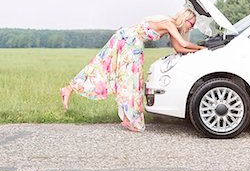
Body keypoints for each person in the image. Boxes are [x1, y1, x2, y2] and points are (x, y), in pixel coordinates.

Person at [59, 8, 204, 132]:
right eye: (191, 24)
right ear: (185, 18)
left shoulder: (171, 27)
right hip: (129, 41)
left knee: (125, 79)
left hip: (131, 43)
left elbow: (178, 48)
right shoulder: (168, 23)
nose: (191, 28)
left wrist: (197, 51)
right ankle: (130, 119)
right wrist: (202, 48)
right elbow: (183, 43)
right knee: (123, 77)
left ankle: (128, 118)